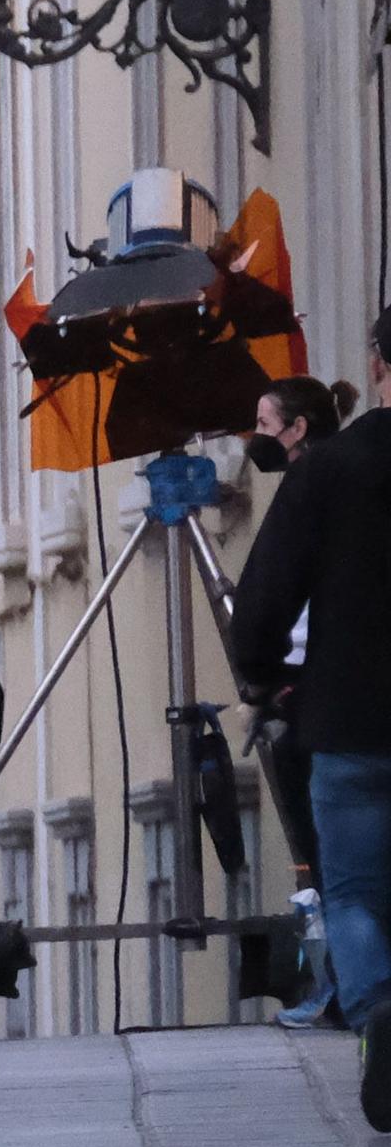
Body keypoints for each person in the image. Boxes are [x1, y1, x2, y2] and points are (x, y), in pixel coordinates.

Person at [232, 312, 391, 1131]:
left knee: (356, 893)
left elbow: (265, 597)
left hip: (353, 719)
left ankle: (377, 1014)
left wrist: (261, 674)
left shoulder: (329, 470)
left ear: (376, 364)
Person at [241, 374, 358, 1031]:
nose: (255, 434)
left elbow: (274, 598)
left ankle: (350, 990)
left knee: (327, 853)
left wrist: (263, 682)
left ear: (298, 429)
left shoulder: (310, 490)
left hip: (313, 684)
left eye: (265, 421)